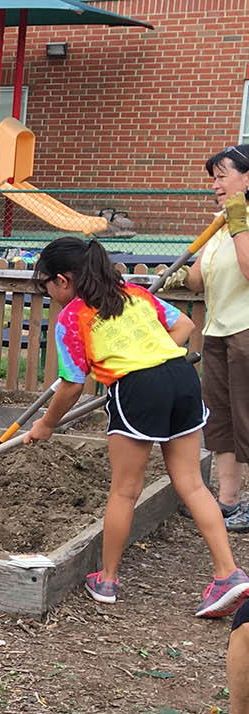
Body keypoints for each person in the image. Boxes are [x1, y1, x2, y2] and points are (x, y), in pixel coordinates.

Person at [25, 236, 249, 618]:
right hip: (180, 376)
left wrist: (46, 425)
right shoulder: (134, 294)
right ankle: (229, 574)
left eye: (44, 285)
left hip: (138, 388)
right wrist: (148, 354)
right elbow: (185, 326)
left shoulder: (72, 317)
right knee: (192, 482)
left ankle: (107, 579)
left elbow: (72, 385)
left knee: (125, 491)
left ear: (62, 280)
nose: (47, 294)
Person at [166, 144, 249, 530]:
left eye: (222, 175)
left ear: (247, 178)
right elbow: (200, 275)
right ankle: (228, 501)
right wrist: (179, 275)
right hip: (218, 330)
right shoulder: (223, 219)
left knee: (248, 418)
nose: (215, 184)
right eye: (213, 177)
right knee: (222, 420)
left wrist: (239, 223)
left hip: (247, 331)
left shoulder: (240, 220)